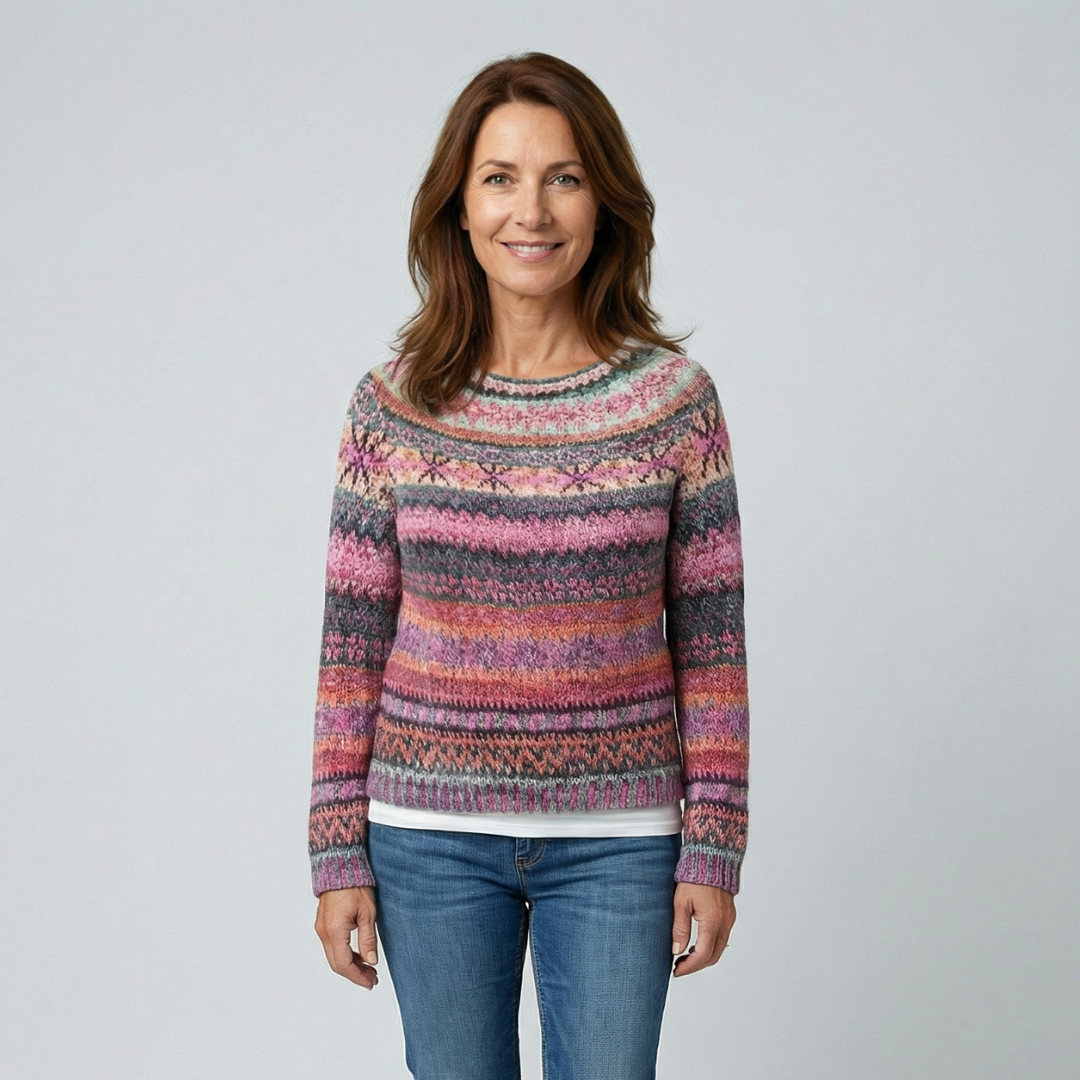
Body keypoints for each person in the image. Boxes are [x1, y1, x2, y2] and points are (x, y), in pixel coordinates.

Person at [308, 52, 749, 1080]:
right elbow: (350, 647)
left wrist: (715, 844)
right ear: (459, 208)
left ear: (604, 203)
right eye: (500, 178)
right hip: (426, 838)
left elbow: (714, 649)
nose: (532, 210)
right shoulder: (392, 405)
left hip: (621, 842)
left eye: (565, 177)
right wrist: (334, 850)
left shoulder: (674, 403)